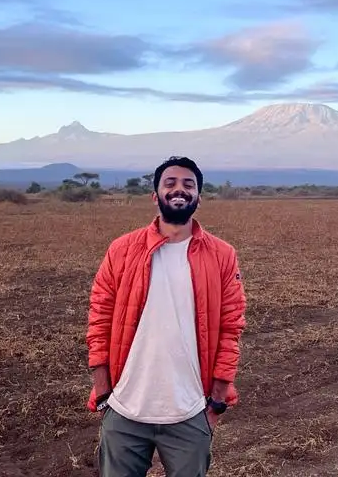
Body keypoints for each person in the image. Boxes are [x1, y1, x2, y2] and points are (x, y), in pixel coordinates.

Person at [86, 156, 246, 477]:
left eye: (189, 185)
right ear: (155, 195)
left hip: (190, 410)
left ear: (199, 197)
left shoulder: (222, 255)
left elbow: (231, 330)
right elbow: (99, 320)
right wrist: (103, 392)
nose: (179, 190)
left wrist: (215, 402)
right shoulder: (122, 250)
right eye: (169, 183)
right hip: (125, 409)